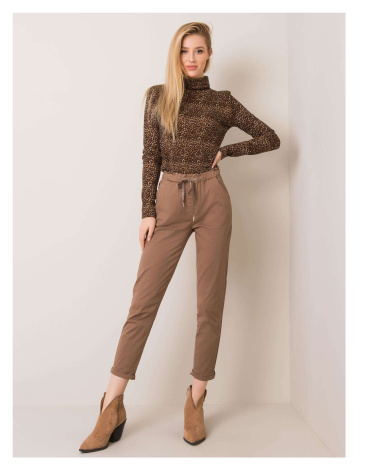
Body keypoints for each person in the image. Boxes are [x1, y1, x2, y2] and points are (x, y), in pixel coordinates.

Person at [79, 21, 280, 453]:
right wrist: (147, 211)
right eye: (185, 50)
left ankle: (196, 399)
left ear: (209, 55)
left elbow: (271, 137)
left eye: (199, 50)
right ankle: (111, 404)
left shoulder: (223, 102)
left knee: (210, 304)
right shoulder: (158, 97)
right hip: (169, 201)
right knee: (142, 304)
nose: (192, 58)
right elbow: (150, 156)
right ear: (177, 54)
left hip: (212, 201)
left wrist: (227, 150)